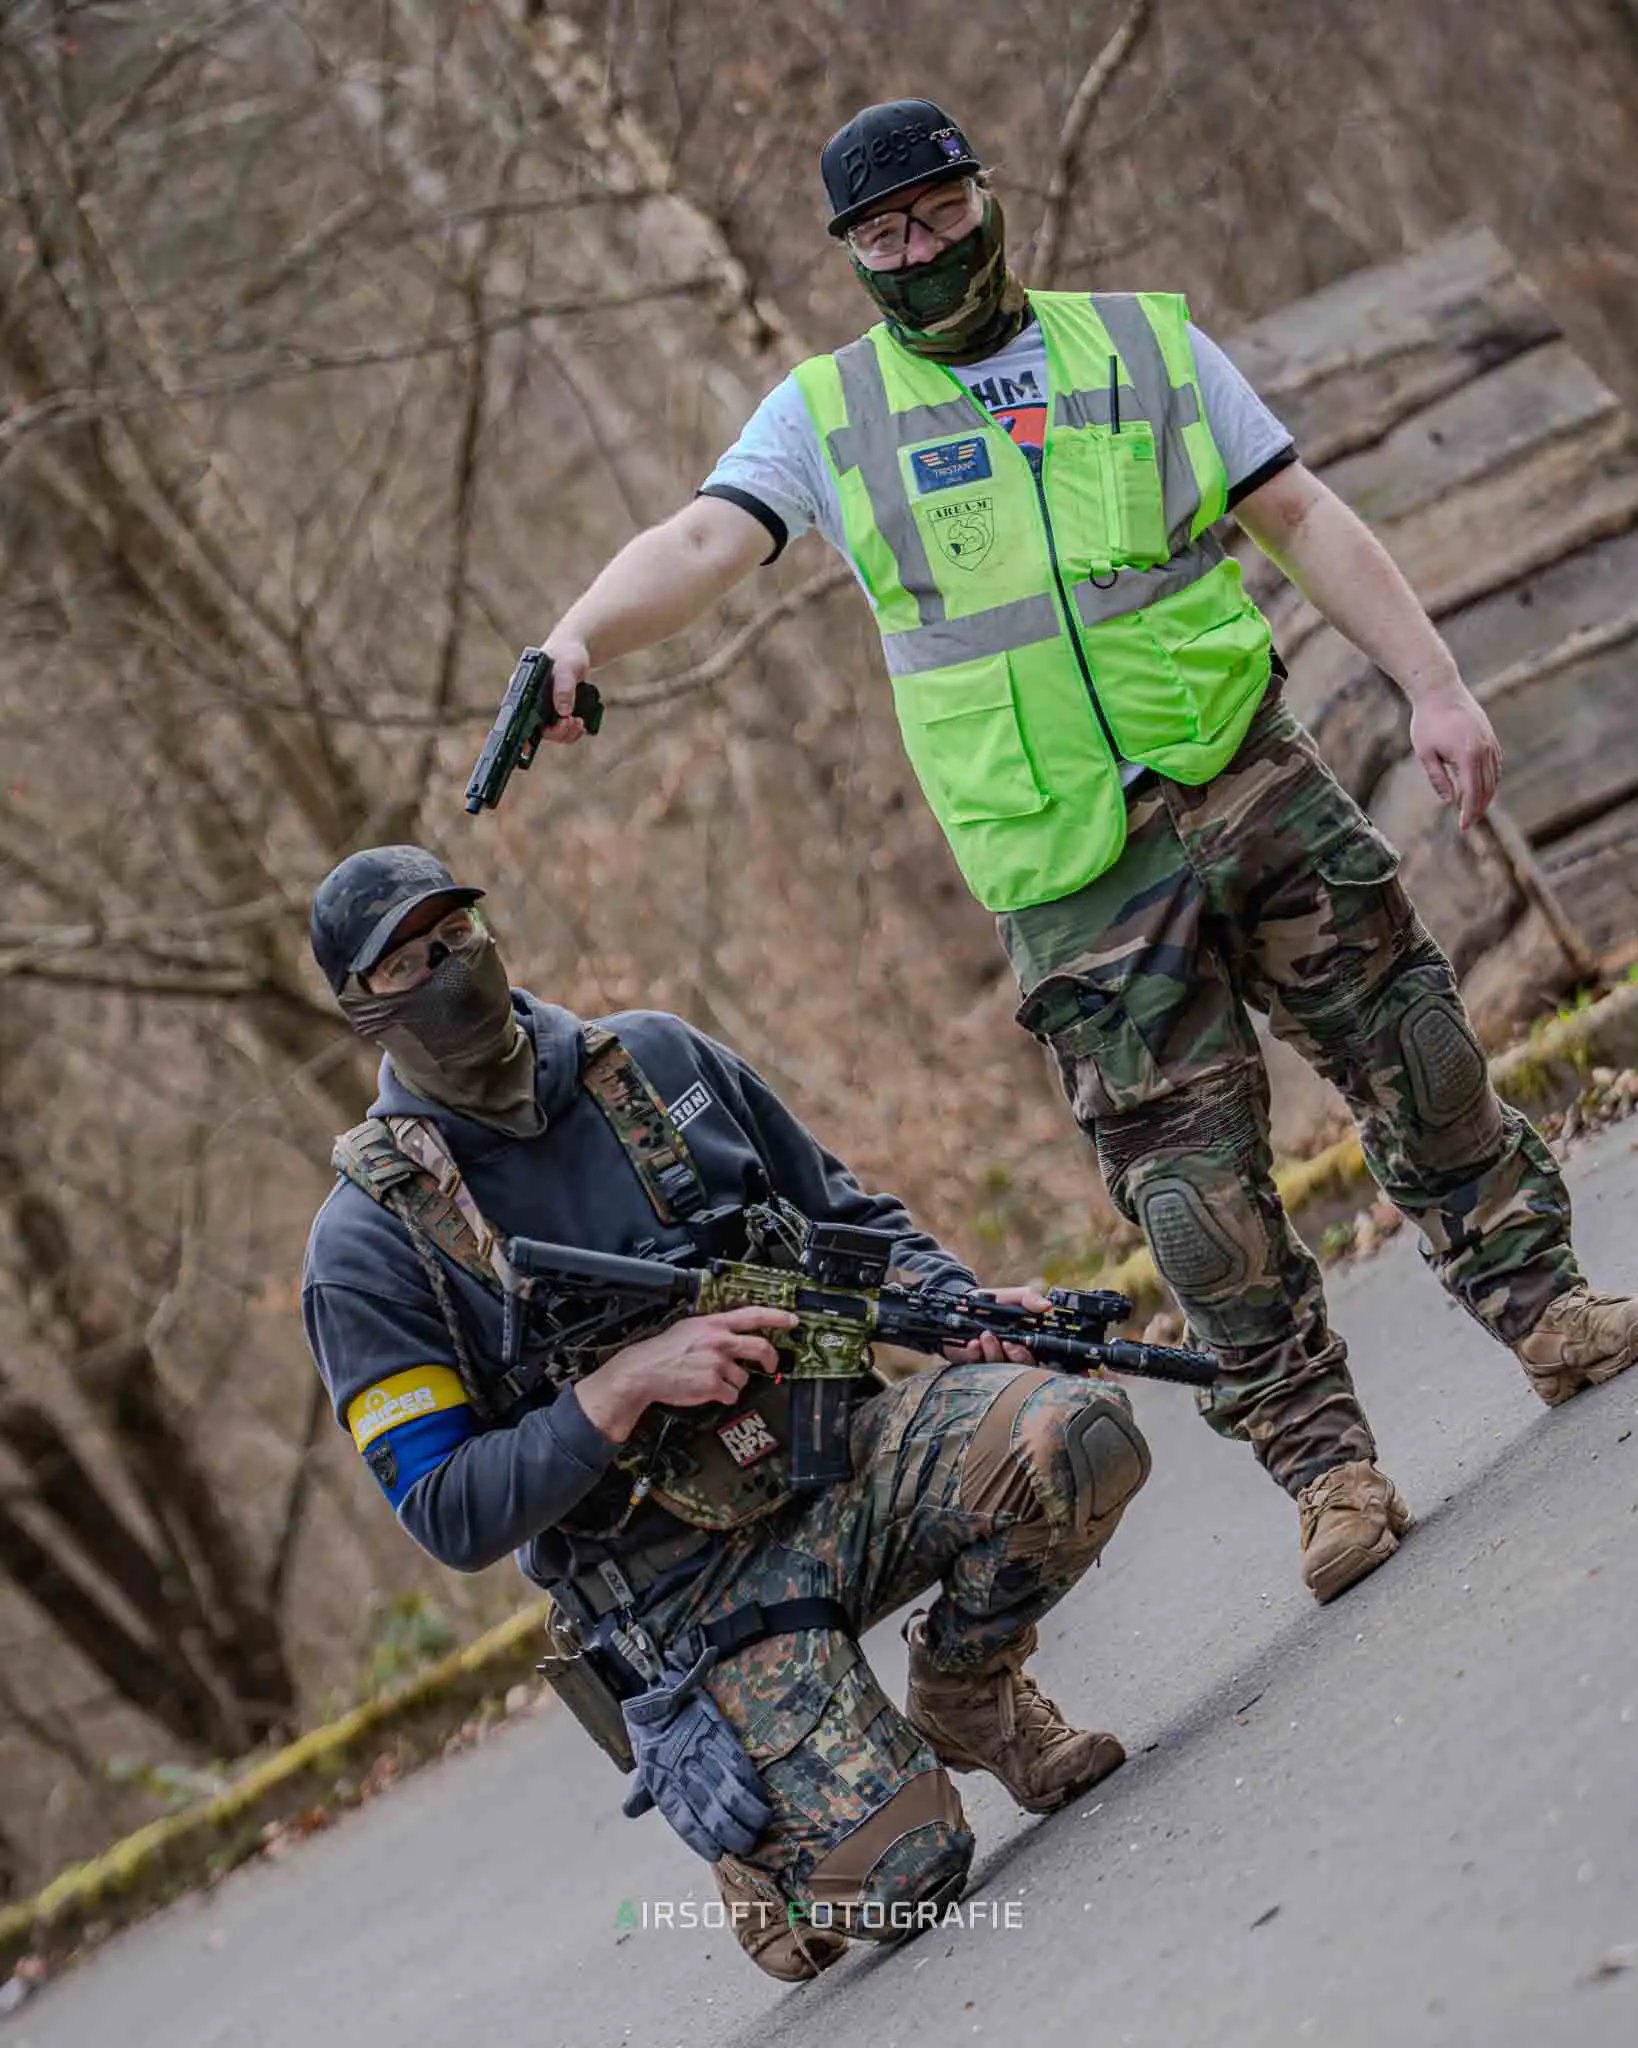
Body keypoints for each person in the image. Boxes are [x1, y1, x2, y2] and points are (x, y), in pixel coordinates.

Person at [527, 98, 1638, 1606]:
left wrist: (1432, 682)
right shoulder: (826, 415)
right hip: (1068, 865)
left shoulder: (1138, 342)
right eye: (882, 234)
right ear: (851, 254)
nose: (917, 248)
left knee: (1418, 1051)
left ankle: (1547, 1308)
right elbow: (701, 542)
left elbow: (1299, 510)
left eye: (936, 211)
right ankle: (1327, 1471)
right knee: (1194, 1204)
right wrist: (581, 634)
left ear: (985, 199)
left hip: (1244, 771)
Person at [301, 844, 1152, 1981]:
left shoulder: (653, 1059)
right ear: (361, 1005)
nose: (448, 967)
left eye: (455, 934)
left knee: (1073, 1435)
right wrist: (621, 1386)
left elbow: (844, 1221)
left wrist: (960, 1309)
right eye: (407, 961)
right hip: (680, 1595)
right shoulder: (365, 1245)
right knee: (906, 1874)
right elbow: (450, 1510)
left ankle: (969, 1690)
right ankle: (763, 1853)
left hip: (834, 1452)